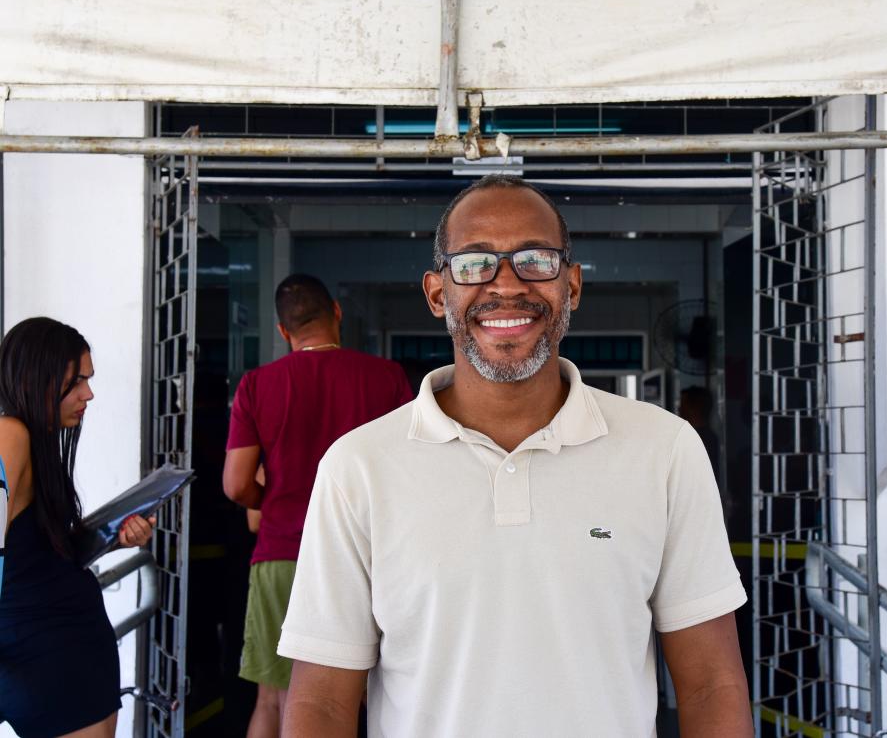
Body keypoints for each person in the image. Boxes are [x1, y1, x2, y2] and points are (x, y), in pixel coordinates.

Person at [279, 175, 753, 737]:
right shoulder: (357, 467)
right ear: (438, 294)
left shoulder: (665, 449)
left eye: (535, 259)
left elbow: (711, 686)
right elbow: (322, 704)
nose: (506, 284)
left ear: (571, 286)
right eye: (474, 263)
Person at [222, 274, 413, 738]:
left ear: (282, 329)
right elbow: (410, 471)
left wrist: (272, 501)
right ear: (337, 314)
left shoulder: (257, 385)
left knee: (274, 699)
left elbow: (235, 485)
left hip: (283, 552)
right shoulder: (386, 377)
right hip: (369, 558)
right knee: (366, 696)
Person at [0, 316, 155, 738]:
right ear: (36, 378)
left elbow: (32, 550)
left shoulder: (37, 440)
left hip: (69, 646)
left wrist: (110, 538)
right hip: (43, 654)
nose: (89, 393)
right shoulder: (11, 433)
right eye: (76, 382)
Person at [678, 385, 721, 480]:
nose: (679, 409)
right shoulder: (708, 437)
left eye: (683, 405)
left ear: (694, 408)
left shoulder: (698, 439)